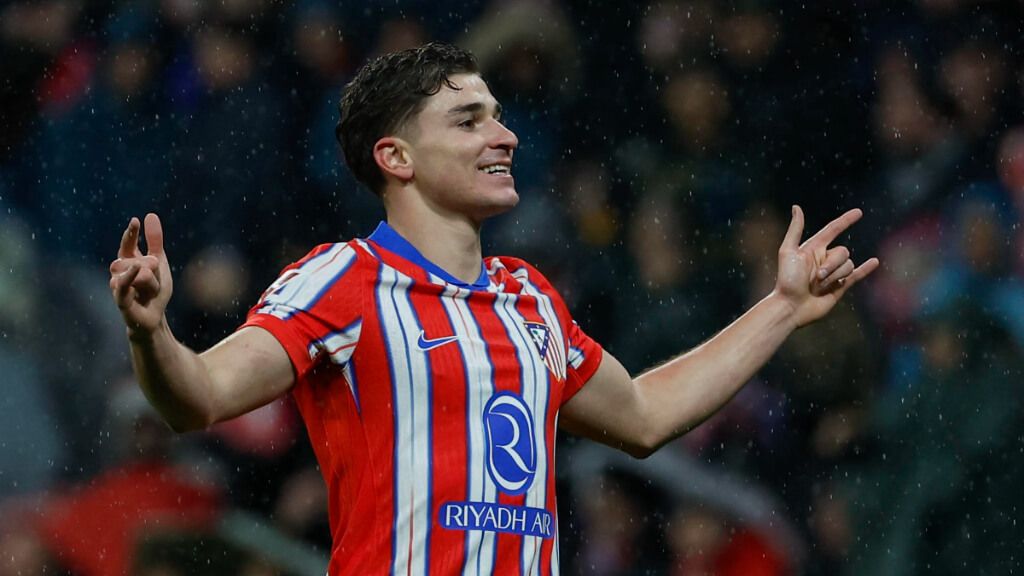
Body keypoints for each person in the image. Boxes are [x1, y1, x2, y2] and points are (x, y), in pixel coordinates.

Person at [109, 43, 879, 575]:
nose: (505, 135)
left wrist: (781, 307)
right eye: (470, 119)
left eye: (499, 115)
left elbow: (645, 414)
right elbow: (199, 398)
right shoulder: (341, 280)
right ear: (396, 157)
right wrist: (151, 337)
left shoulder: (529, 298)